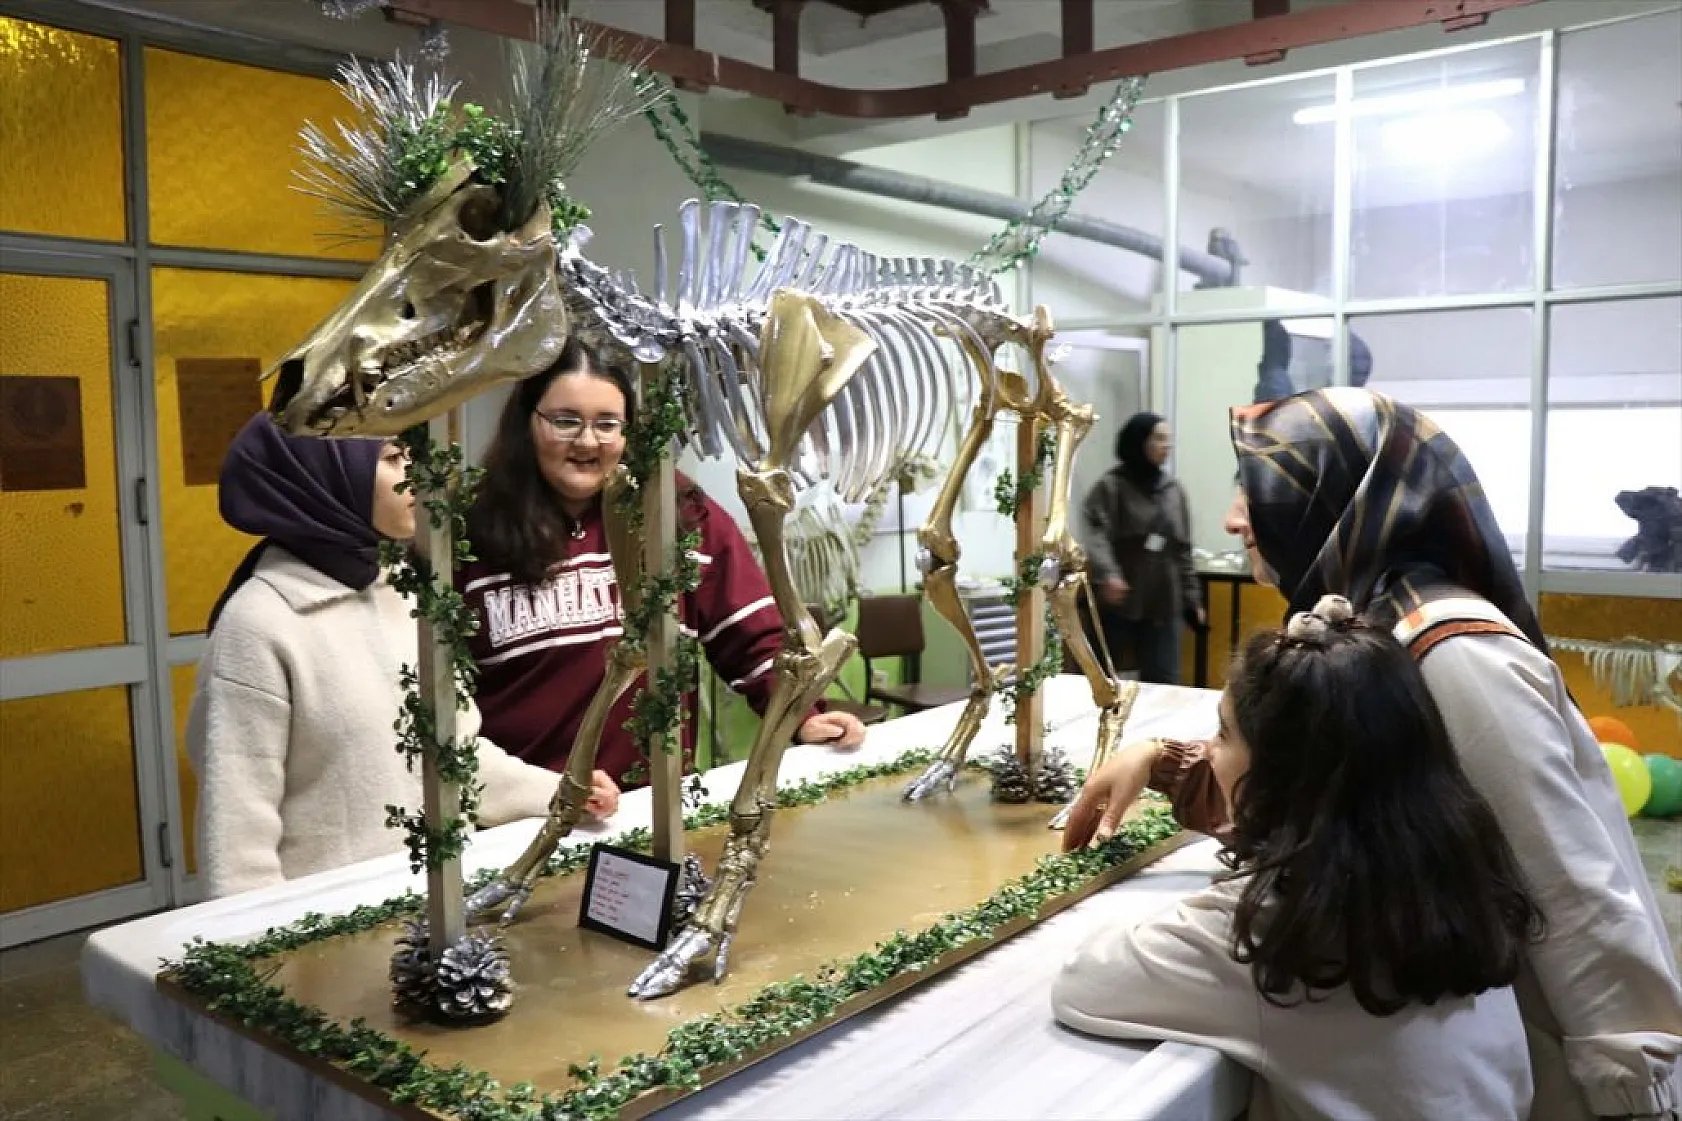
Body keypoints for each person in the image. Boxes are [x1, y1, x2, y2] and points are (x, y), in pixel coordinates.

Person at [1064, 387, 1682, 1121]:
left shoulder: (1449, 652)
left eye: (1261, 492)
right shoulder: (1368, 617)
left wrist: (1636, 1087)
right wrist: (1167, 760)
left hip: (1538, 1061)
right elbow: (1322, 772)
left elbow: (1577, 894)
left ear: (1341, 498)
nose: (1235, 518)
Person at [1054, 594, 1543, 1121]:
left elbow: (1084, 982)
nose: (1208, 750)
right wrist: (1161, 762)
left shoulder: (1280, 935)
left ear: (1280, 777)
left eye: (1221, 733)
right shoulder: (1450, 876)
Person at [187, 414, 573, 900]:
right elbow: (236, 839)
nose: (415, 474)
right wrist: (267, 960)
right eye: (393, 458)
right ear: (328, 479)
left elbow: (457, 757)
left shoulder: (403, 595)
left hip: (435, 914)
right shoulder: (261, 623)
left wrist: (562, 794)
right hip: (327, 937)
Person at [458, 337, 866, 797]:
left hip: (649, 809)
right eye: (566, 421)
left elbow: (752, 639)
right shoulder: (468, 531)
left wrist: (804, 717)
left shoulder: (677, 512)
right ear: (527, 425)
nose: (588, 441)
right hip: (523, 813)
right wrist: (530, 792)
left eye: (608, 424)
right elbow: (443, 703)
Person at [1080, 411, 1204, 684]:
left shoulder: (1173, 491)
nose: (1166, 446)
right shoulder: (1111, 488)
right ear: (1139, 442)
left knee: (1164, 679)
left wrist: (1193, 598)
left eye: (1168, 440)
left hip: (1164, 598)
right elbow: (1097, 535)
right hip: (1121, 597)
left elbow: (1183, 550)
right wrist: (1108, 574)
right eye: (1158, 439)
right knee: (1102, 675)